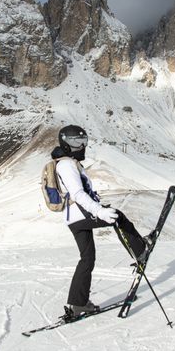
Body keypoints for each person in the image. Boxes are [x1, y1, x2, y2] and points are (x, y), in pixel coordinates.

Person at [52, 125, 154, 315]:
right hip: (81, 213)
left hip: (73, 217)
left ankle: (78, 303)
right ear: (65, 142)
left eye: (83, 141)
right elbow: (78, 193)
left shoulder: (68, 163)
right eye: (76, 142)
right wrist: (100, 211)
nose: (81, 146)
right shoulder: (66, 164)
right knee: (117, 217)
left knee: (87, 258)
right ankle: (140, 250)